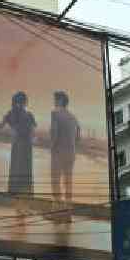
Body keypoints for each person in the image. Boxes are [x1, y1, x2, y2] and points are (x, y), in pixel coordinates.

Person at [0, 91, 37, 201]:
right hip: (24, 145)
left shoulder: (14, 113)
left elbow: (1, 125)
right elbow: (32, 131)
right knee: (23, 169)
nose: (21, 104)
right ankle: (24, 193)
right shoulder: (26, 114)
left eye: (22, 102)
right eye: (21, 102)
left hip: (20, 145)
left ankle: (15, 192)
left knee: (17, 168)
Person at [49, 90, 81, 218]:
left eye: (55, 99)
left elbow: (54, 133)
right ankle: (68, 212)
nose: (54, 102)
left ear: (60, 101)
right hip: (71, 153)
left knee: (55, 181)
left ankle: (57, 211)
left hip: (58, 152)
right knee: (68, 182)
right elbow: (78, 138)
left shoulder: (55, 114)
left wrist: (51, 147)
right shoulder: (74, 117)